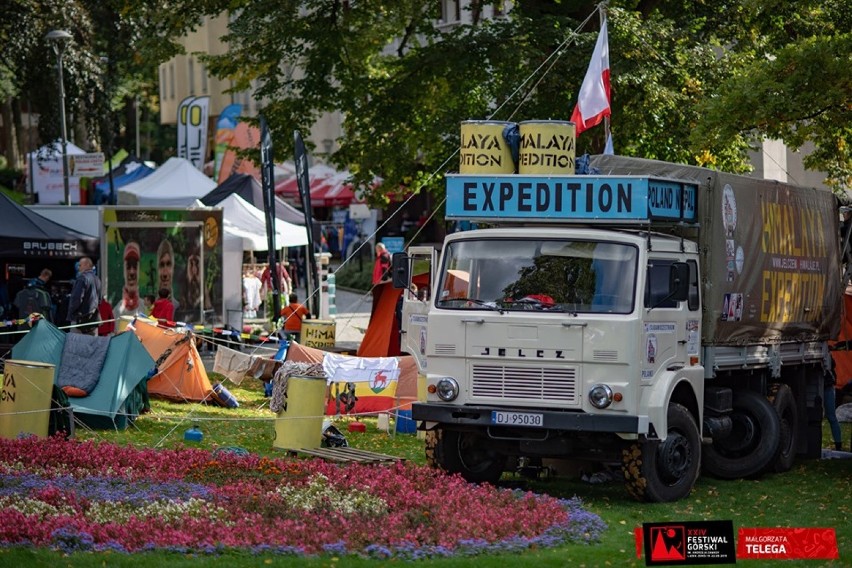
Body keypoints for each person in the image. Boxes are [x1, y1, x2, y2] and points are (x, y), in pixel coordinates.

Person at [67, 257, 102, 335]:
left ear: (86, 265)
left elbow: (77, 299)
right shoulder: (97, 279)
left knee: (76, 345)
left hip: (79, 321)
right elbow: (100, 300)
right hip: (93, 321)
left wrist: (71, 314)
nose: (78, 268)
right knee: (92, 345)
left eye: (80, 265)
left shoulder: (82, 278)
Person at [114, 241, 141, 317]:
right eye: (128, 267)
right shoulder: (116, 312)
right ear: (123, 270)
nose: (132, 272)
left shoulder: (146, 310)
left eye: (135, 266)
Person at [825, 359, 844, 452]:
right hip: (827, 386)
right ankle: (838, 444)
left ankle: (838, 445)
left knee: (831, 417)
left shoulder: (828, 357)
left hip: (828, 386)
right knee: (831, 417)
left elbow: (832, 364)